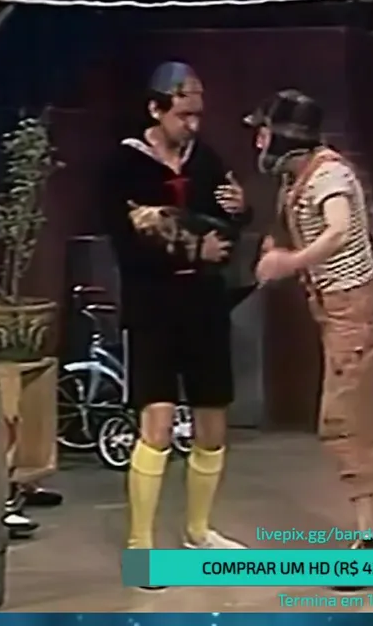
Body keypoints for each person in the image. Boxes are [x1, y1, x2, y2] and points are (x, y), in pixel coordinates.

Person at [248, 89, 373, 555]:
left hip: (355, 312)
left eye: (264, 132)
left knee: (344, 424)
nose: (258, 142)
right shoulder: (299, 178)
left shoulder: (330, 176)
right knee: (367, 423)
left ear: (285, 137)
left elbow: (338, 230)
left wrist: (290, 262)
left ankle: (369, 539)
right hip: (344, 311)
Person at [100, 62, 253, 573]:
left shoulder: (205, 158)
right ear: (155, 108)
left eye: (198, 116)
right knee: (158, 424)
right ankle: (141, 545)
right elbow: (128, 242)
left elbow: (228, 225)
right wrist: (192, 249)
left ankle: (198, 531)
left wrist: (241, 209)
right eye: (184, 115)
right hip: (153, 307)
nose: (193, 125)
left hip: (205, 306)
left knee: (212, 424)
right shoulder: (124, 166)